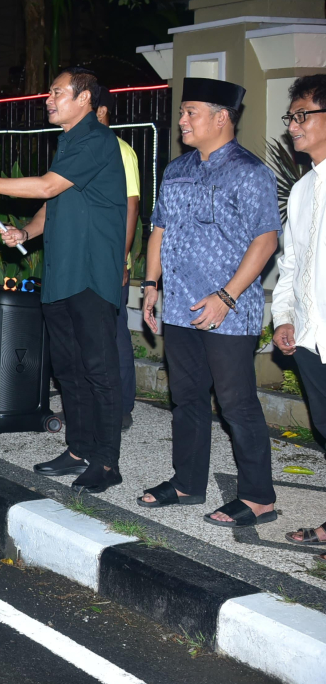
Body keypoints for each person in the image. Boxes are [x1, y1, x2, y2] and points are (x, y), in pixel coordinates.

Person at [0, 67, 126, 493]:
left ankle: (107, 462)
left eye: (57, 92)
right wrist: (27, 232)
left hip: (90, 277)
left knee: (98, 370)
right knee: (67, 370)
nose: (48, 98)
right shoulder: (68, 143)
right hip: (61, 276)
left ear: (84, 98)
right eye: (50, 92)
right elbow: (55, 201)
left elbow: (47, 187)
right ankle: (79, 449)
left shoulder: (97, 141)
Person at [138, 78, 280, 526]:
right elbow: (158, 229)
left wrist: (226, 295)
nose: (181, 120)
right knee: (187, 398)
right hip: (179, 306)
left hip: (228, 311)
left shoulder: (250, 171)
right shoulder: (176, 170)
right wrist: (151, 285)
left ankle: (259, 497)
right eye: (182, 112)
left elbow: (266, 239)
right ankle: (187, 483)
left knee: (237, 403)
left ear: (222, 117)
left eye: (190, 112)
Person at [272, 76, 326, 554]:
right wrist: (284, 318)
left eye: (302, 115)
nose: (292, 126)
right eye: (291, 117)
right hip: (310, 338)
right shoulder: (304, 189)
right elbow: (290, 264)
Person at [94, 90, 142, 430]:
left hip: (109, 258)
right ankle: (93, 401)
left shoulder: (120, 151)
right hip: (83, 259)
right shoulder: (78, 149)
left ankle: (123, 405)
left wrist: (121, 259)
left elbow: (132, 207)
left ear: (102, 112)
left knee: (114, 333)